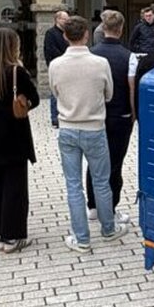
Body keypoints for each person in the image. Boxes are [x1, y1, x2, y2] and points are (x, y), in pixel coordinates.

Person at [48, 15, 129, 253]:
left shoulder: (55, 65)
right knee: (102, 181)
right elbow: (109, 94)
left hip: (68, 128)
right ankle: (108, 229)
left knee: (74, 186)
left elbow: (55, 92)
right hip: (95, 128)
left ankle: (82, 238)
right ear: (86, 34)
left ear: (65, 36)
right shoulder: (100, 63)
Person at [0, 26, 39, 252]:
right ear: (13, 46)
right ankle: (12, 236)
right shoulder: (16, 72)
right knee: (15, 188)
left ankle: (1, 233)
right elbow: (35, 98)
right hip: (13, 137)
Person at [86, 9, 133, 218]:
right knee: (115, 163)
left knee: (94, 161)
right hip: (120, 116)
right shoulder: (129, 56)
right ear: (121, 29)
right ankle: (111, 208)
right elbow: (131, 88)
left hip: (95, 115)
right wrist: (133, 114)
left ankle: (93, 205)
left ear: (103, 29)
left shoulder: (90, 54)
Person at [43, 9, 70, 127]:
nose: (67, 21)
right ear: (57, 19)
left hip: (68, 65)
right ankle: (55, 118)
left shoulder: (68, 33)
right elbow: (50, 50)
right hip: (56, 66)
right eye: (65, 19)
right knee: (55, 92)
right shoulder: (51, 33)